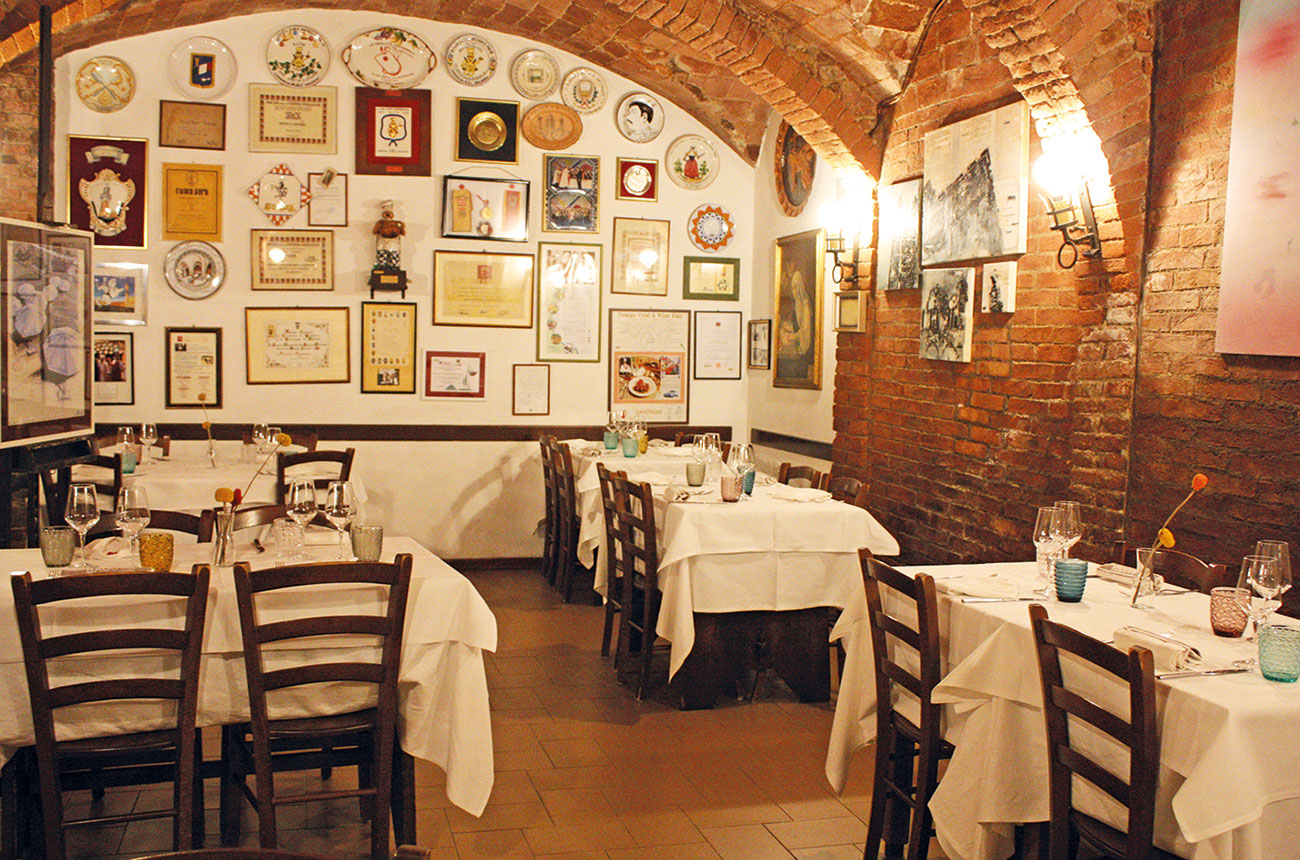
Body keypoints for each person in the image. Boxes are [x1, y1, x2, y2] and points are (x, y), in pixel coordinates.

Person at [373, 200, 405, 270]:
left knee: (394, 256)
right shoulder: (380, 223)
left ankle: (394, 268)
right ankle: (382, 267)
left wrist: (401, 226)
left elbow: (403, 233)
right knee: (382, 256)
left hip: (394, 243)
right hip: (382, 242)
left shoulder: (397, 223)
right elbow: (374, 231)